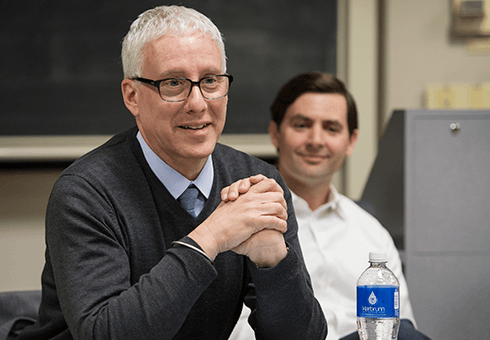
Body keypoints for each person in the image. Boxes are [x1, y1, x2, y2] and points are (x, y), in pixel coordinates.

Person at [18, 7, 327, 340]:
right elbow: (105, 334)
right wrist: (210, 237)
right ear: (132, 96)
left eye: (210, 81)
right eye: (173, 84)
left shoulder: (256, 182)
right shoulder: (85, 193)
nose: (197, 103)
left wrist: (273, 262)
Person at [228, 72, 428, 340]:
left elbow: (397, 327)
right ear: (275, 133)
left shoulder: (372, 233)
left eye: (331, 128)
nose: (316, 140)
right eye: (302, 125)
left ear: (351, 141)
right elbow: (229, 327)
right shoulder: (242, 219)